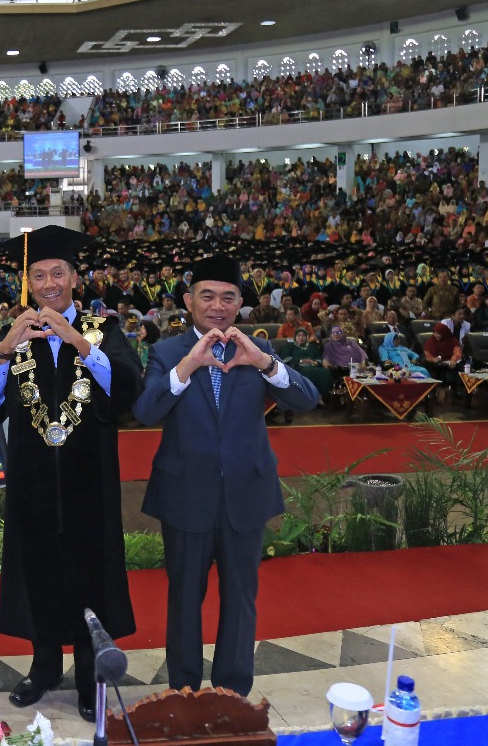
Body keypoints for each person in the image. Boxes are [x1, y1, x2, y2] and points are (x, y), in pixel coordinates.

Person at [0, 225, 143, 722]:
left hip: (90, 481)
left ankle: (89, 678)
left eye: (57, 273)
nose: (48, 283)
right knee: (39, 573)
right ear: (27, 280)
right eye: (38, 274)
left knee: (90, 576)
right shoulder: (14, 334)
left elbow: (127, 388)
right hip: (34, 482)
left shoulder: (102, 329)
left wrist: (79, 343)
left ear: (73, 277)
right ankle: (44, 668)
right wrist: (4, 349)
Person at [133, 254, 319, 698]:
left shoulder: (257, 350)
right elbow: (145, 411)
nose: (217, 306)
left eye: (228, 297)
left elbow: (307, 399)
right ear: (189, 300)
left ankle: (232, 692)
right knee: (184, 600)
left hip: (245, 493)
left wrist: (266, 364)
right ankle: (183, 689)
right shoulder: (166, 352)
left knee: (240, 598)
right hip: (186, 494)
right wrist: (188, 367)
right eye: (207, 296)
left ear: (240, 304)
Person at [276, 327, 332, 398]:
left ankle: (325, 397)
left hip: (312, 366)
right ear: (295, 337)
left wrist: (315, 362)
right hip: (298, 366)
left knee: (326, 372)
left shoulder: (312, 347)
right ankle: (313, 397)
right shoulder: (290, 346)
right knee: (307, 372)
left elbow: (319, 358)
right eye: (299, 336)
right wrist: (301, 360)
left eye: (303, 336)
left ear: (306, 337)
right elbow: (285, 358)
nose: (301, 338)